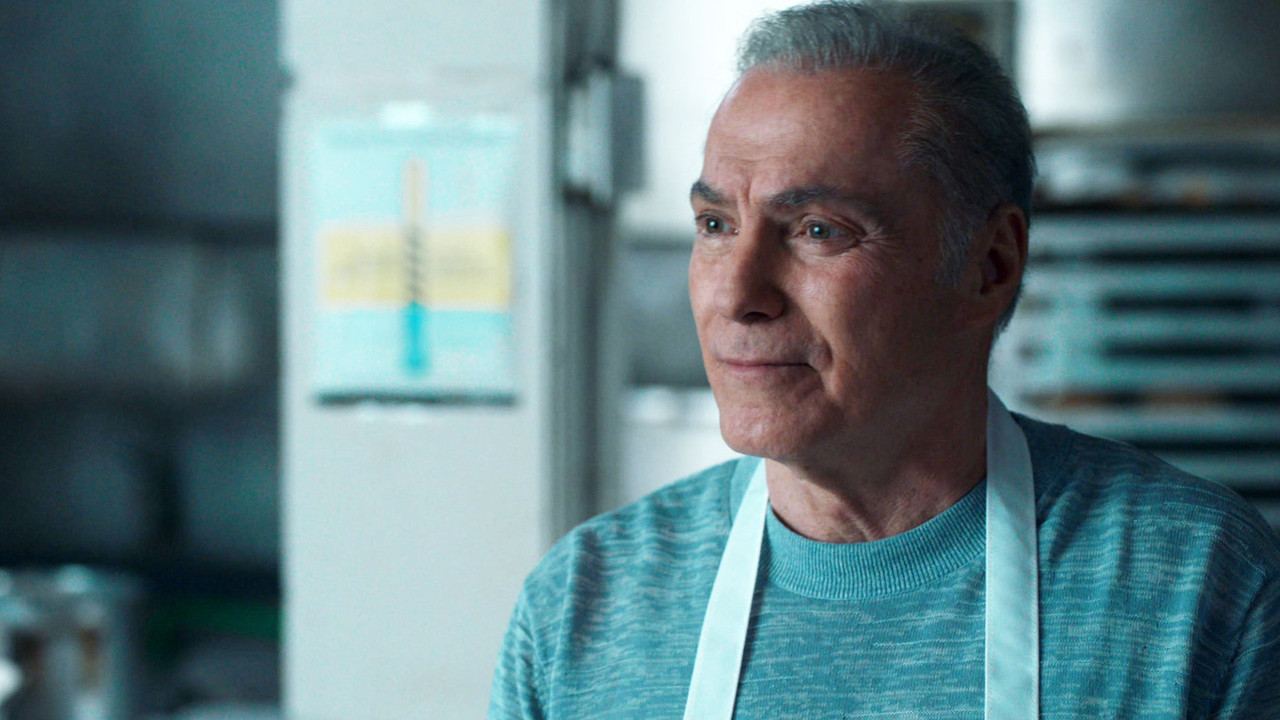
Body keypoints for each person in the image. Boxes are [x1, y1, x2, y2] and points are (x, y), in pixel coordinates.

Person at [489, 2, 1280, 718]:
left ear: (990, 266)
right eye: (716, 225)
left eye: (818, 230)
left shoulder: (1197, 590)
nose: (736, 295)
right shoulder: (584, 607)